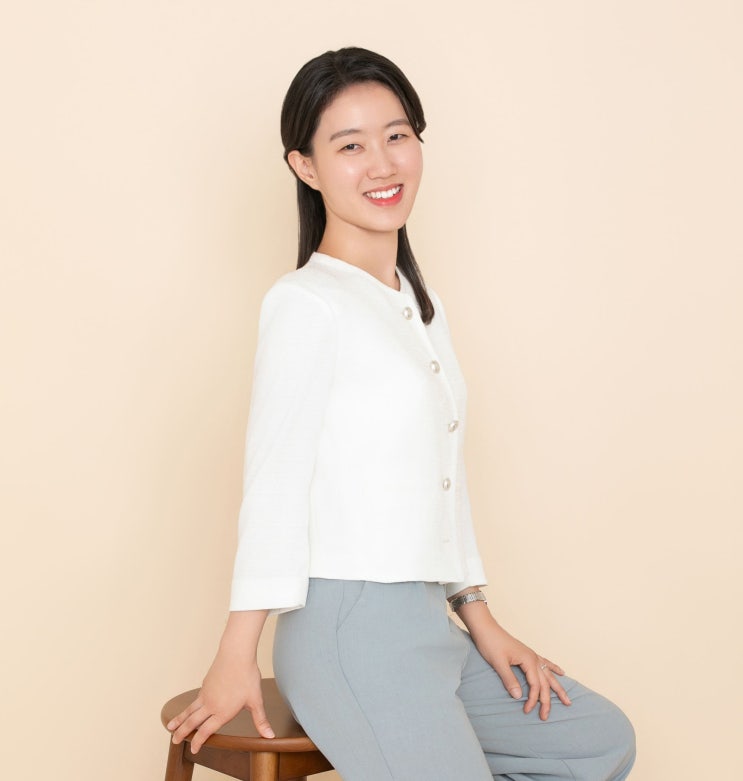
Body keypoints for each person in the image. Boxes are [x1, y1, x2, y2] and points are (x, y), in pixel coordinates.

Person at [167, 47, 636, 780]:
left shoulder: (419, 305)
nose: (382, 164)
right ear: (305, 167)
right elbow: (274, 486)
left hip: (430, 623)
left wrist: (479, 617)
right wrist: (236, 652)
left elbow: (442, 480)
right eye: (350, 146)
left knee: (594, 741)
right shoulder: (305, 304)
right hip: (350, 630)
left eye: (397, 136)